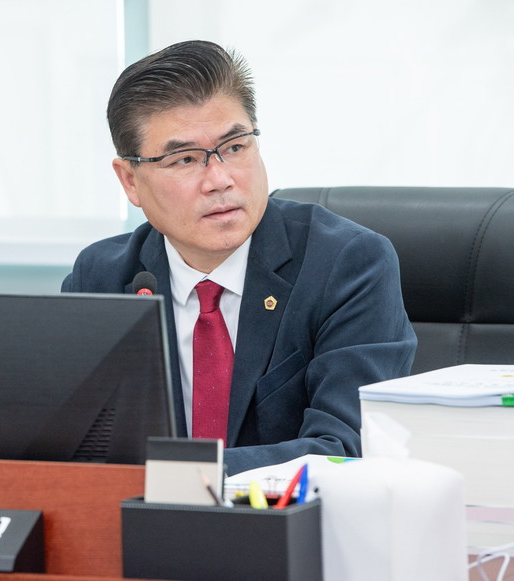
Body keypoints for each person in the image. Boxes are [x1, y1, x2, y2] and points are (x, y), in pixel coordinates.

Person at [62, 40, 416, 475]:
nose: (220, 179)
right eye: (184, 159)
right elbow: (69, 449)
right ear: (130, 181)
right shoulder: (100, 278)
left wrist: (176, 477)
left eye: (234, 147)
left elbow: (343, 449)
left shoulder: (347, 265)